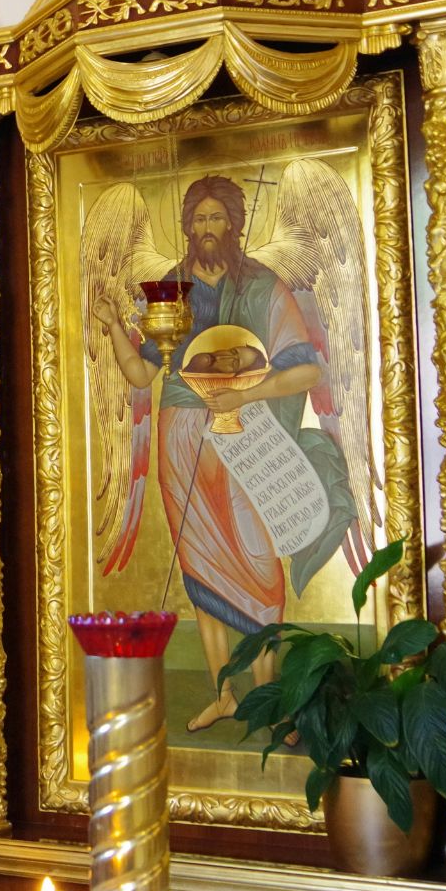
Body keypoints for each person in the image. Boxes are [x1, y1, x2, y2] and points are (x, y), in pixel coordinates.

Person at [92, 175, 358, 732]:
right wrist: (116, 326)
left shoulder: (264, 287)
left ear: (235, 224)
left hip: (247, 437)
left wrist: (248, 392)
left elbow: (307, 369)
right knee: (198, 567)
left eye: (217, 218)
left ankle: (268, 696)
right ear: (186, 227)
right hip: (182, 437)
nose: (207, 228)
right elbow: (142, 370)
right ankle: (224, 693)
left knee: (258, 562)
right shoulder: (170, 287)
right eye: (198, 219)